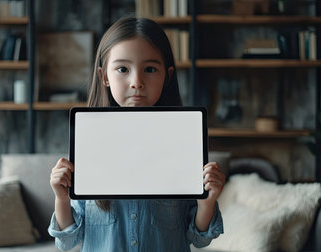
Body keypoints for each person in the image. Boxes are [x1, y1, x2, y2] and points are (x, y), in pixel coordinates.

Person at [48, 16, 225, 251]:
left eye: (150, 69)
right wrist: (61, 198)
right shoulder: (89, 145)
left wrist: (208, 200)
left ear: (167, 75)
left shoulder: (183, 144)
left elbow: (200, 238)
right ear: (104, 76)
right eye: (122, 69)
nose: (137, 82)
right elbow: (67, 240)